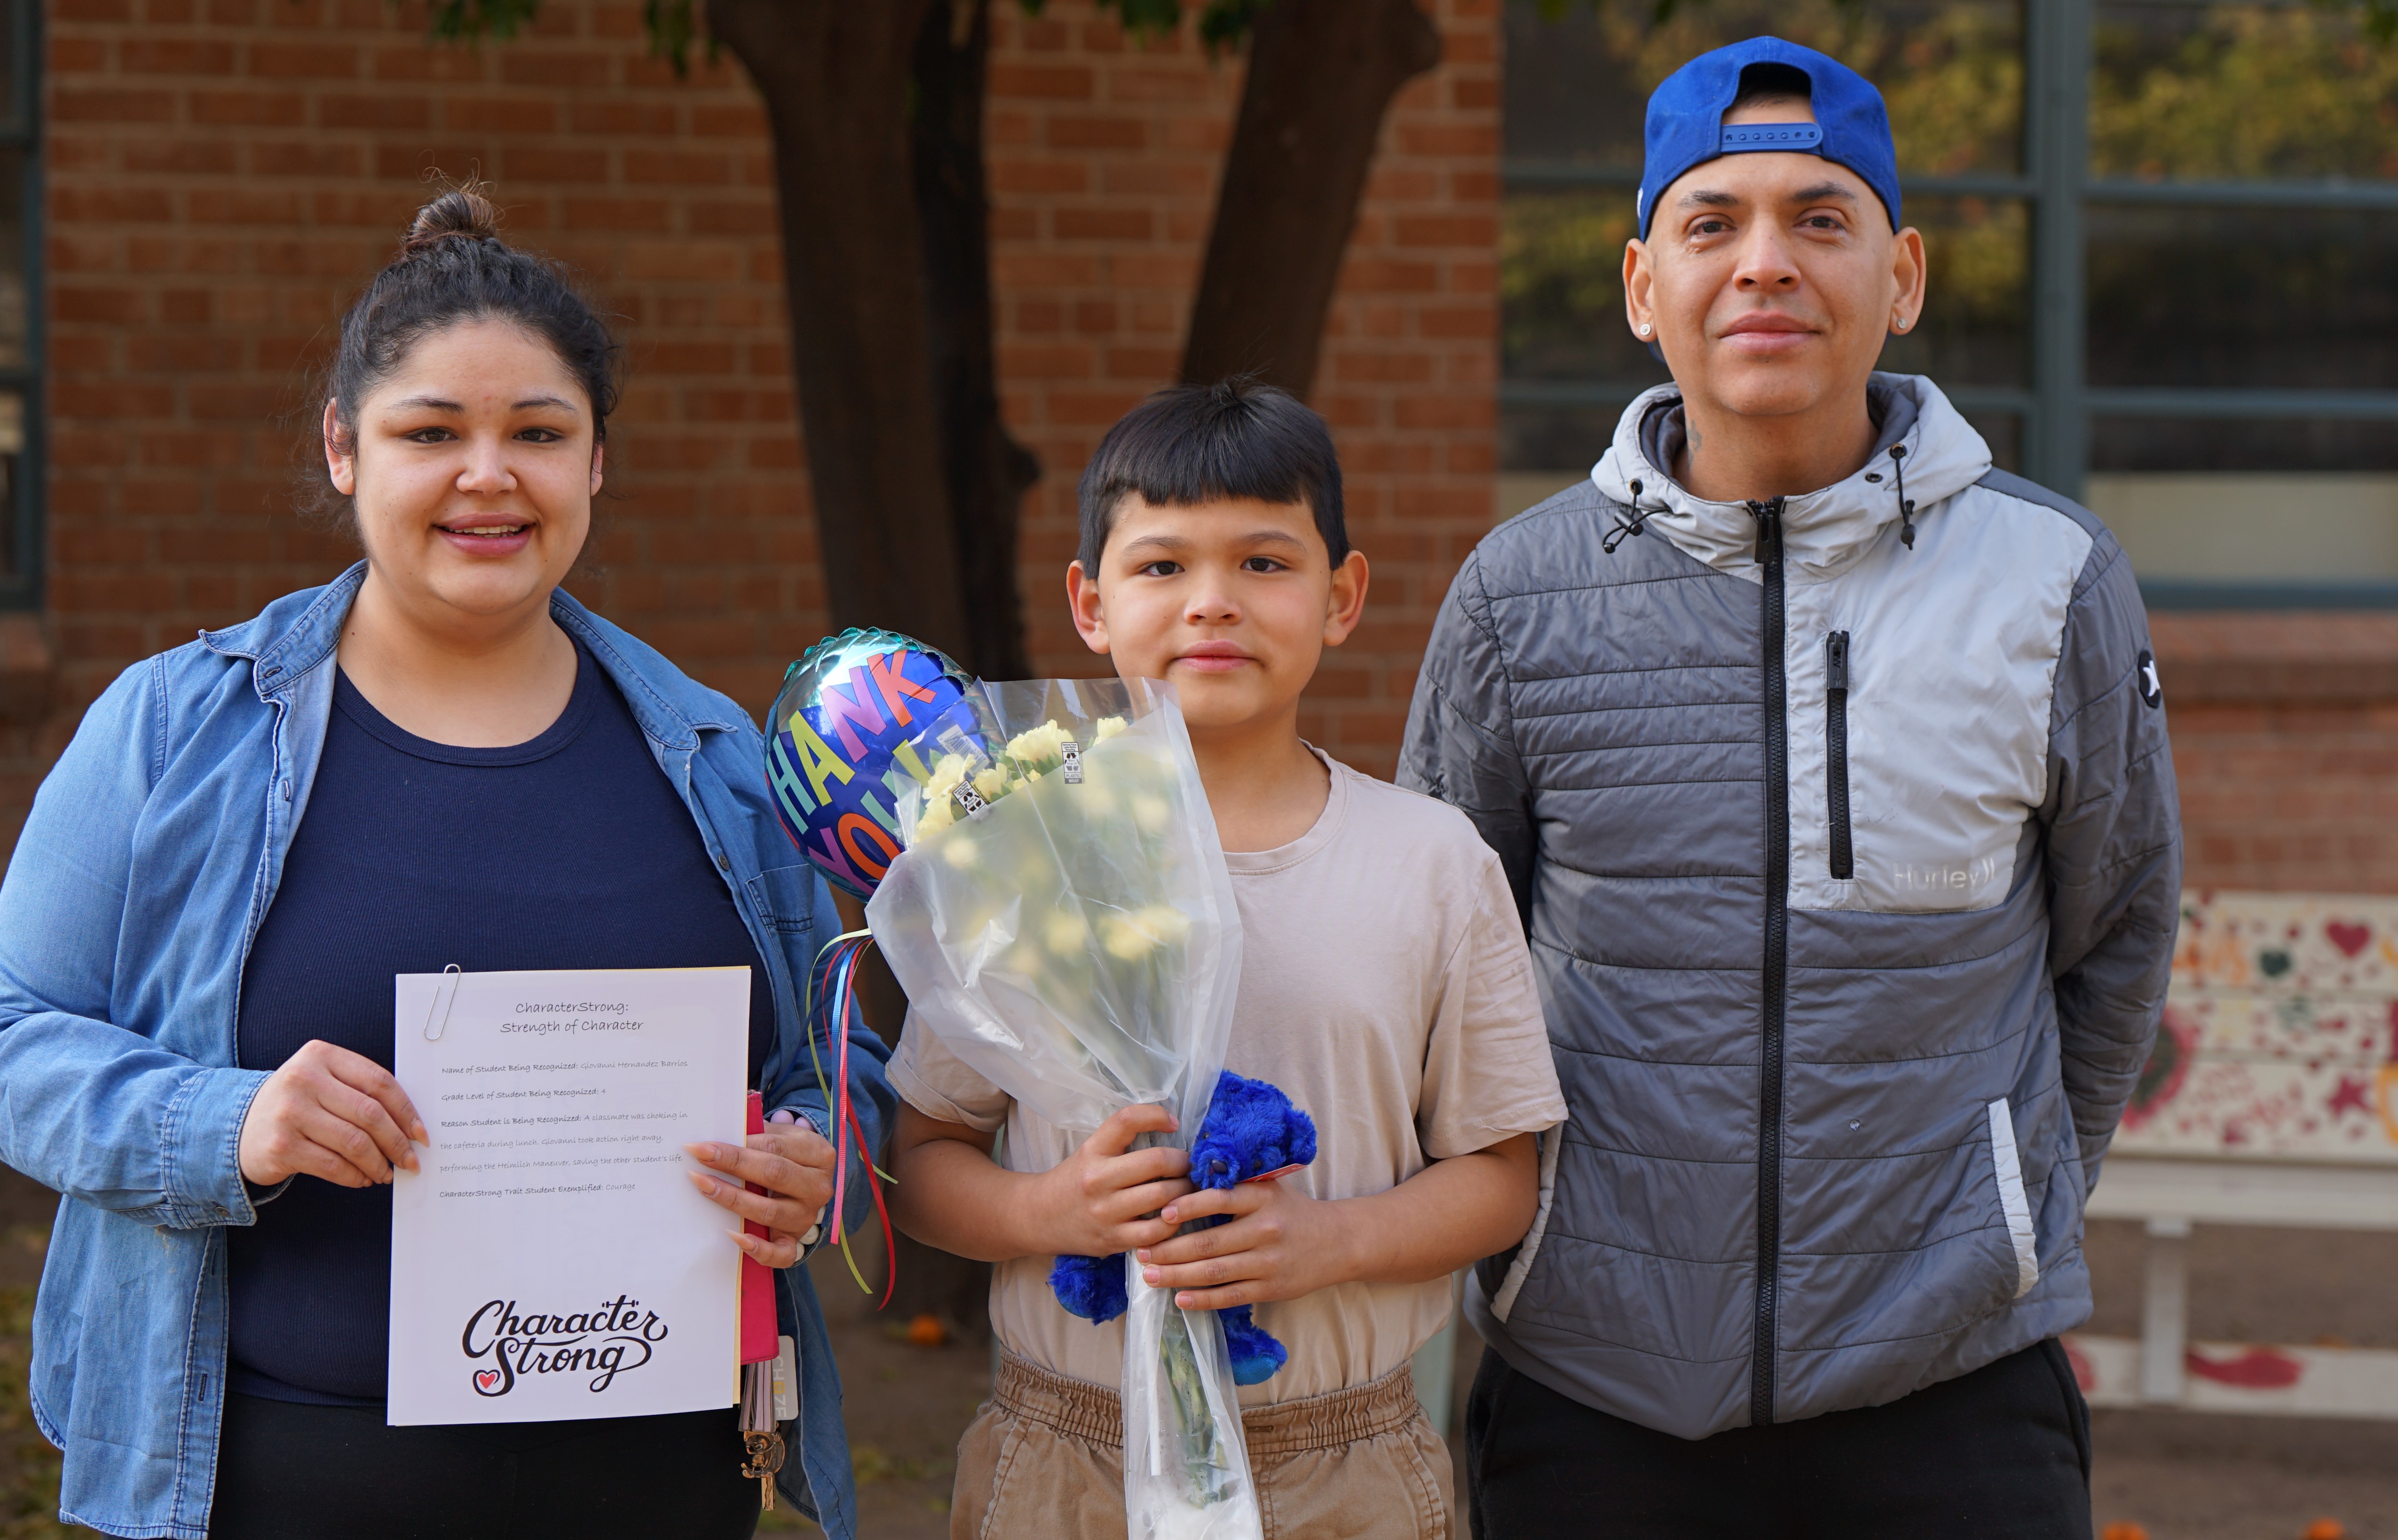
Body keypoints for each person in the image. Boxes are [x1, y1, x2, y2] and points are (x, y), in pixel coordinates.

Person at [0, 187, 894, 1540]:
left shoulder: (714, 755)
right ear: (344, 447)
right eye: (431, 432)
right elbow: (0, 1047)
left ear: (597, 463)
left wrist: (815, 1155)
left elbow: (831, 1062)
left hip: (654, 1480)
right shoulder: (174, 727)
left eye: (538, 434)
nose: (487, 475)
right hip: (280, 1480)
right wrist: (235, 1122)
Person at [1399, 37, 2182, 1538]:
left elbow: (2114, 931)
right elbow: (1440, 958)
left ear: (1899, 277)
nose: (1764, 264)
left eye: (1817, 220)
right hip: (1592, 1394)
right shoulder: (1518, 595)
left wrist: (2006, 1222)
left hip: (1952, 1389)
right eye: (1713, 224)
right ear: (1642, 286)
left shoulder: (2051, 576)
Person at [885, 379, 1568, 1539]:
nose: (1213, 604)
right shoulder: (1021, 851)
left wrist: (1329, 1241)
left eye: (1263, 563)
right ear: (1088, 604)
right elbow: (923, 1159)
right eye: (1161, 567)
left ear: (1340, 597)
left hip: (1345, 1464)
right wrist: (1055, 1207)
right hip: (1066, 1458)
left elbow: (1502, 1180)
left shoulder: (1430, 860)